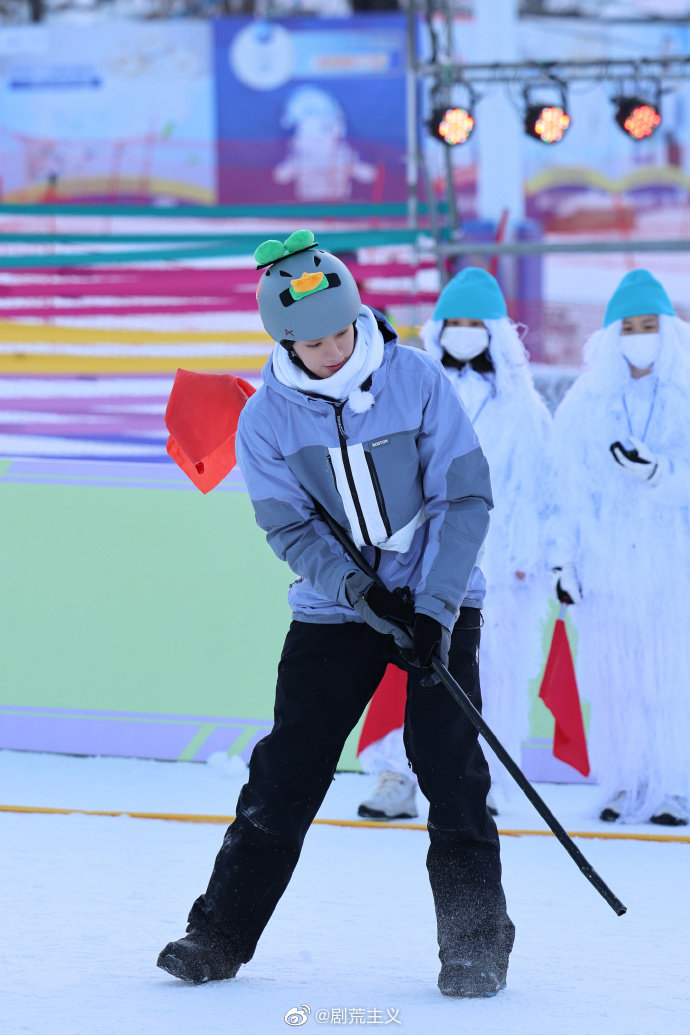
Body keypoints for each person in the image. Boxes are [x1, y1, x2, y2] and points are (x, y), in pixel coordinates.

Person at [157, 229, 515, 997]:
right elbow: (289, 527)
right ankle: (216, 934)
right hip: (336, 607)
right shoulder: (267, 421)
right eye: (311, 341)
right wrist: (359, 592)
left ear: (357, 315)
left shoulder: (415, 380)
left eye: (340, 332)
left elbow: (467, 493)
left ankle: (476, 944)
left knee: (451, 772)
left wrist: (433, 608)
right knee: (286, 769)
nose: (330, 349)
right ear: (285, 337)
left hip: (438, 600)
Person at [357, 267, 552, 819]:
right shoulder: (407, 390)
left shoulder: (523, 411)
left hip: (502, 564)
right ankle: (396, 776)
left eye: (476, 323)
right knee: (409, 663)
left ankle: (477, 781)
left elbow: (541, 489)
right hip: (421, 557)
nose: (464, 333)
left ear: (497, 331)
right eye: (454, 322)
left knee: (489, 671)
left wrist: (533, 555)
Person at [547, 268, 690, 826]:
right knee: (613, 677)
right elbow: (564, 489)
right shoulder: (586, 403)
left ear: (669, 328)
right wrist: (562, 560)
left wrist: (663, 474)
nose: (638, 335)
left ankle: (674, 786)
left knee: (670, 675)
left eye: (647, 324)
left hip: (671, 561)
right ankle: (624, 783)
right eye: (628, 326)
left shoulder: (686, 393)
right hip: (606, 563)